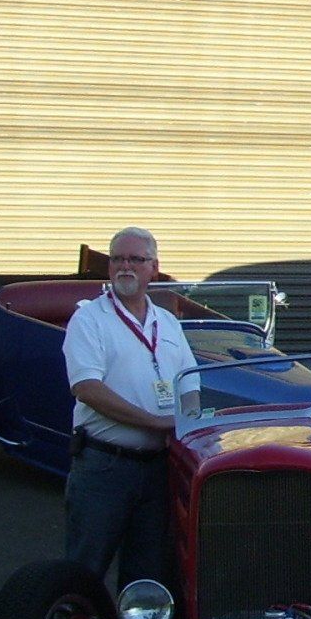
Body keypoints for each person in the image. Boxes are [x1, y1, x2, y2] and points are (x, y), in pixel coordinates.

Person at [61, 228, 200, 588]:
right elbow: (87, 389)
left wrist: (186, 425)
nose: (125, 266)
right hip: (104, 468)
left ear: (154, 267)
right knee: (84, 571)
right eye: (117, 259)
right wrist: (154, 422)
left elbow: (189, 383)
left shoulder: (167, 322)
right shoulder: (89, 319)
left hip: (158, 470)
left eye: (136, 259)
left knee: (147, 575)